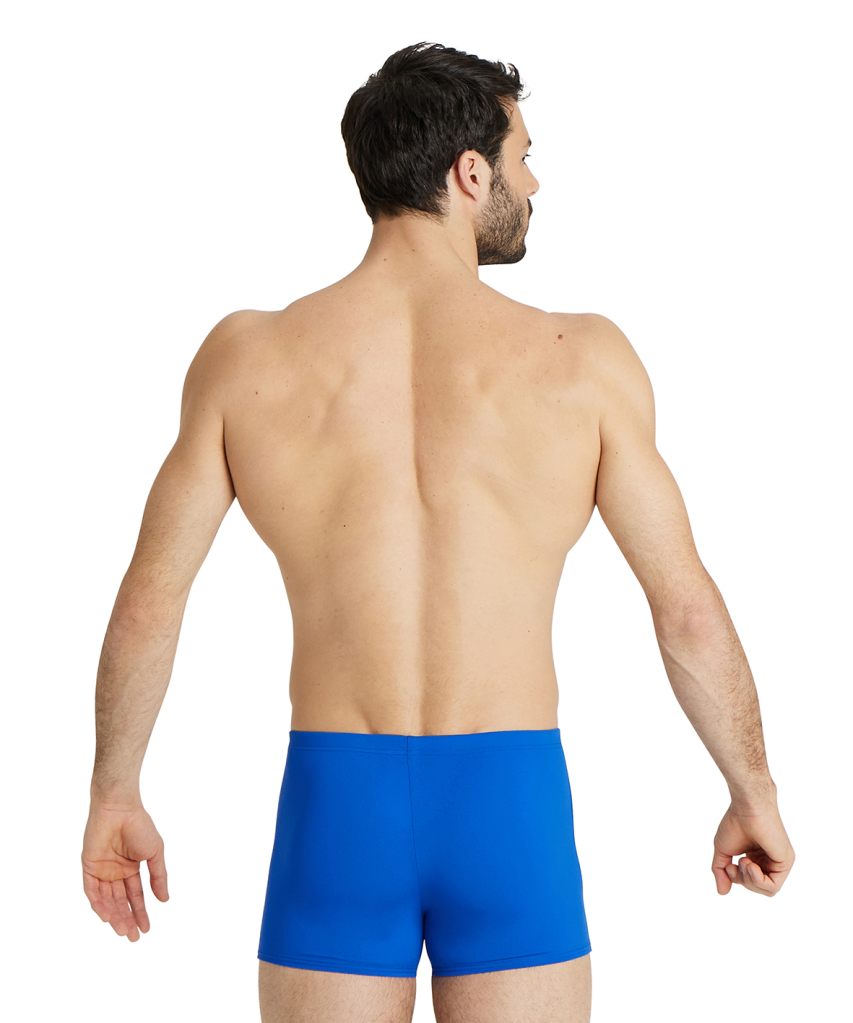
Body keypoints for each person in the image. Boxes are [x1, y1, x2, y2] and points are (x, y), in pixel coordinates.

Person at [82, 40, 795, 1023]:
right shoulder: (581, 360)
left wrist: (113, 791)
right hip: (509, 806)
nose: (532, 182)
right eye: (522, 156)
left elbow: (149, 601)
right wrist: (753, 789)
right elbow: (685, 611)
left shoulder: (248, 357)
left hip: (337, 807)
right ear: (468, 173)